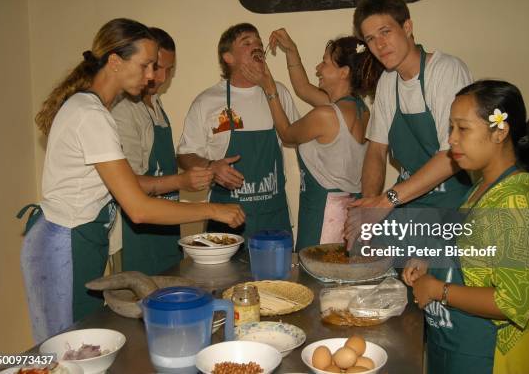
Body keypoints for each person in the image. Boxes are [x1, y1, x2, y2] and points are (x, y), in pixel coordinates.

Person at [19, 18, 244, 342]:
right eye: (146, 65)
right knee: (61, 350)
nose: (153, 75)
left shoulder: (93, 108)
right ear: (114, 61)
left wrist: (179, 183)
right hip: (62, 243)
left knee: (78, 344)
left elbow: (131, 183)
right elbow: (138, 209)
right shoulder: (91, 115)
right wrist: (211, 210)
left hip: (78, 239)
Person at [403, 80, 529, 373]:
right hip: (451, 345)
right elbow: (473, 253)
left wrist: (437, 289)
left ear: (500, 131)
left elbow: (513, 302)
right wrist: (430, 264)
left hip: (488, 356)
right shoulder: (480, 186)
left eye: (463, 128)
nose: (452, 140)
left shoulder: (516, 203)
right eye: (451, 128)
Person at [344, 0, 474, 245]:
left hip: (451, 211)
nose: (379, 45)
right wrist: (367, 211)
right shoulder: (387, 83)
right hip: (408, 208)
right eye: (370, 39)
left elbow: (452, 156)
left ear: (407, 27)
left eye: (385, 32)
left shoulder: (445, 71)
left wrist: (386, 200)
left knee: (437, 283)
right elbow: (376, 151)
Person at [243, 29, 382, 250]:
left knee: (317, 277)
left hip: (324, 216)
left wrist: (269, 87)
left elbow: (287, 134)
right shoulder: (360, 109)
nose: (318, 68)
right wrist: (291, 50)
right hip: (349, 210)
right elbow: (303, 88)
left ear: (344, 72)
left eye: (324, 63)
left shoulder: (326, 116)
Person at [177, 23, 299, 239]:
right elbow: (185, 155)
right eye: (247, 42)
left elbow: (296, 138)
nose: (257, 47)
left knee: (277, 274)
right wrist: (211, 167)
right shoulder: (207, 102)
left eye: (259, 43)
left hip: (273, 218)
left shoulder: (279, 93)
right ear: (228, 58)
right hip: (225, 221)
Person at [111, 27, 212, 275]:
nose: (162, 77)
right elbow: (129, 184)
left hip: (164, 228)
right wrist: (181, 181)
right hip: (135, 235)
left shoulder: (155, 103)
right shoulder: (124, 109)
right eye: (156, 67)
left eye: (169, 70)